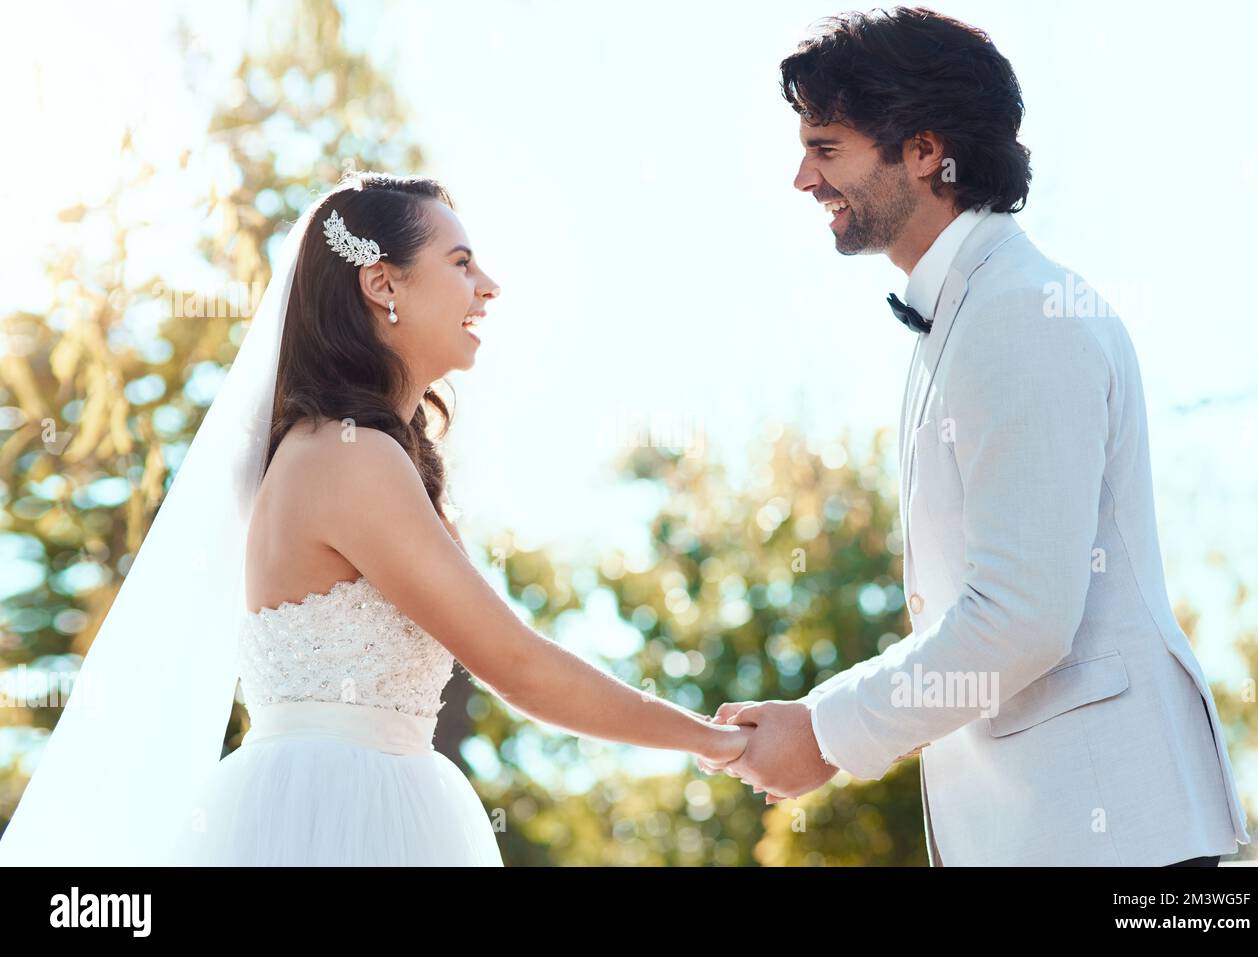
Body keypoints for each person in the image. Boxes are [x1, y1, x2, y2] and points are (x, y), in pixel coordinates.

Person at [0, 171, 750, 866]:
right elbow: (516, 664)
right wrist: (709, 738)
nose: (488, 287)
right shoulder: (350, 457)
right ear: (382, 282)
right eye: (461, 263)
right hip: (337, 815)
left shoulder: (350, 449)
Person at [703, 7, 1250, 867]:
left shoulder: (1018, 312)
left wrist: (824, 732)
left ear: (925, 151)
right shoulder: (966, 316)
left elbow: (1022, 614)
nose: (803, 178)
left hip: (1113, 839)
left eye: (826, 146)